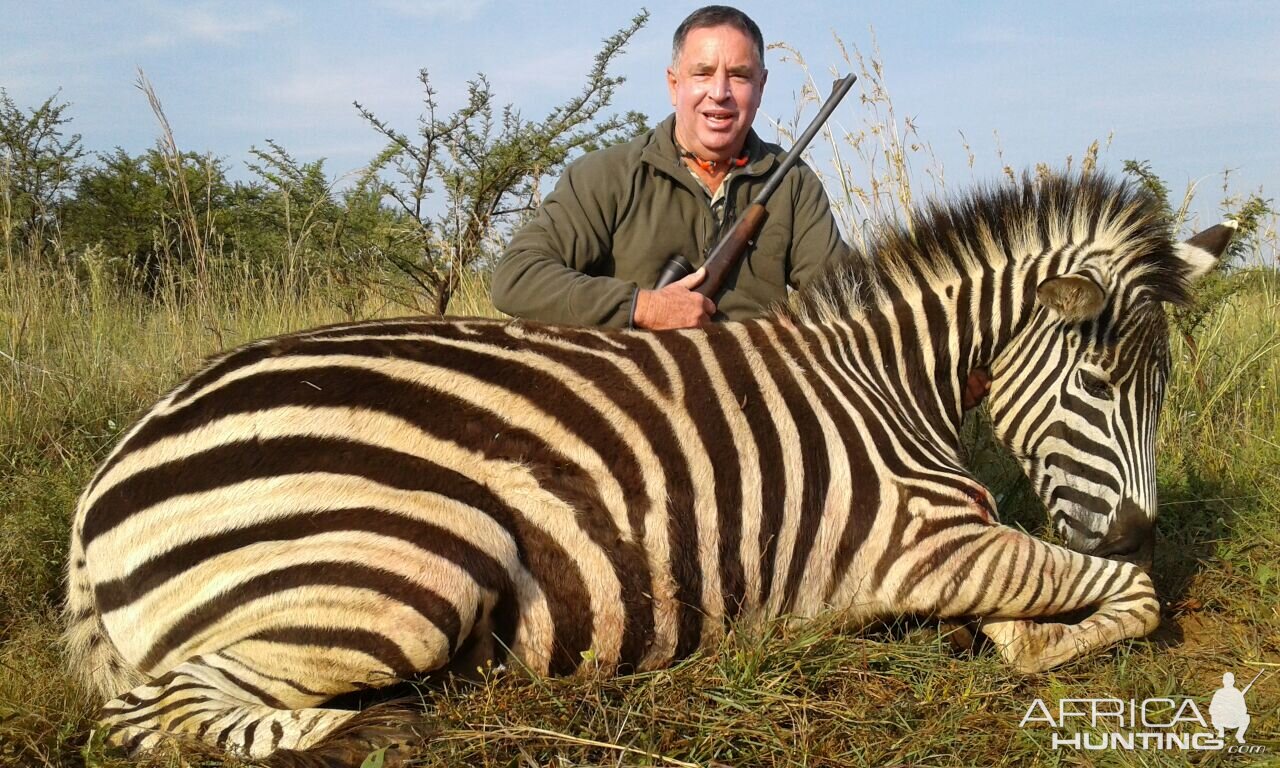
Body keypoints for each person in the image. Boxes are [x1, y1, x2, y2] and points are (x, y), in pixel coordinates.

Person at [490, 5, 849, 329]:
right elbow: (516, 278)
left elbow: (850, 296)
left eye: (739, 75)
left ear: (761, 86)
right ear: (674, 85)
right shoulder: (606, 174)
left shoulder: (793, 182)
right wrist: (641, 306)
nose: (720, 92)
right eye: (703, 74)